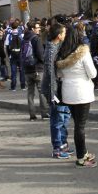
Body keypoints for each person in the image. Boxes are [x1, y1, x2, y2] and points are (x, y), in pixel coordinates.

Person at [55, 22, 98, 168]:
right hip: (82, 92)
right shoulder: (83, 52)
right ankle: (81, 157)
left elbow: (60, 74)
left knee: (77, 123)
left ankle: (83, 152)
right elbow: (93, 73)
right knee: (80, 126)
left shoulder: (62, 54)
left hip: (68, 92)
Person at [42, 20, 71, 159]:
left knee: (65, 116)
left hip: (60, 87)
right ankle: (57, 148)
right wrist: (52, 93)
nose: (66, 34)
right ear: (59, 35)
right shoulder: (51, 49)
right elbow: (49, 72)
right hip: (53, 89)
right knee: (57, 118)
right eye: (64, 32)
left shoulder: (57, 46)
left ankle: (63, 144)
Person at [22, 20, 48, 121]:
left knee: (30, 93)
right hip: (37, 69)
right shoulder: (36, 38)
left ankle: (32, 115)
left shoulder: (24, 38)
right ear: (33, 29)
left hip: (27, 69)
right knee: (42, 91)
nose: (39, 29)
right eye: (37, 28)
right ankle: (44, 113)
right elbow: (41, 55)